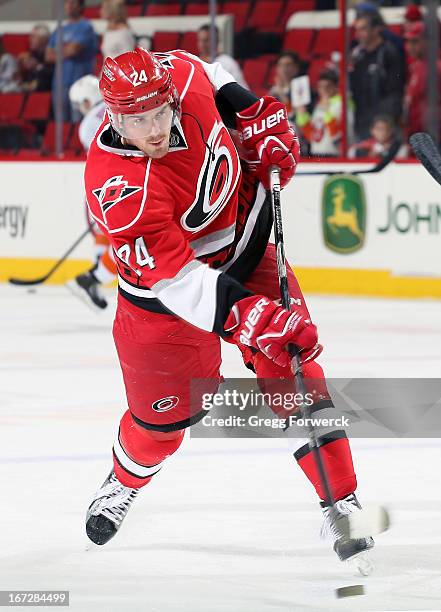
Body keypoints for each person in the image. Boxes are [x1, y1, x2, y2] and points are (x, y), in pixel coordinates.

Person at [83, 47, 374, 571]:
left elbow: (214, 76)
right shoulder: (121, 188)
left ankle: (341, 501)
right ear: (113, 117)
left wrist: (252, 115)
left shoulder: (180, 74)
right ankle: (123, 481)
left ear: (169, 95)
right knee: (163, 423)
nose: (152, 130)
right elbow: (178, 282)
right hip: (165, 303)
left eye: (159, 113)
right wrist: (251, 317)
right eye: (136, 120)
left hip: (243, 241)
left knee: (294, 373)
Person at [67, 74, 116, 310]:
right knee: (125, 241)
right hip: (124, 185)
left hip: (103, 189)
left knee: (109, 235)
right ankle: (94, 278)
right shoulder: (116, 108)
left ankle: (93, 278)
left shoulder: (87, 125)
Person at [349, 11, 405, 141]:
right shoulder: (357, 55)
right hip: (361, 121)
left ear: (376, 29)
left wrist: (385, 122)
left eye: (363, 29)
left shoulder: (389, 53)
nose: (358, 34)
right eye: (357, 29)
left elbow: (395, 91)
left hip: (382, 125)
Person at [45, 0, 97, 121]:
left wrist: (58, 50)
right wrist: (67, 49)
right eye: (67, 3)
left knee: (78, 123)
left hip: (79, 83)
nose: (69, 6)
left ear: (80, 6)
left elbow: (74, 50)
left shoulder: (86, 27)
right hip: (59, 83)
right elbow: (48, 56)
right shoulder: (59, 29)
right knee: (61, 125)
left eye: (73, 3)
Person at [295, 69, 348, 157]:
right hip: (316, 152)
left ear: (336, 87)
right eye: (320, 87)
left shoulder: (341, 103)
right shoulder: (320, 104)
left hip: (333, 153)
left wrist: (327, 112)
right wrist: (302, 115)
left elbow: (337, 134)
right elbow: (312, 134)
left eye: (328, 86)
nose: (324, 90)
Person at [403, 22, 441, 141]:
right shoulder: (415, 66)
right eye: (407, 41)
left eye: (415, 41)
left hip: (434, 139)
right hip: (419, 138)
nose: (409, 46)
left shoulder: (437, 68)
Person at [196, 24, 248, 89]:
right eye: (200, 40)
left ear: (216, 41)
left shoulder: (227, 62)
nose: (202, 44)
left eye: (206, 40)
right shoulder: (195, 62)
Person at [268, 51, 303, 123]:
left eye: (288, 65)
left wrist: (281, 93)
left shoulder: (301, 88)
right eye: (281, 65)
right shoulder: (273, 90)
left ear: (296, 68)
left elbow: (293, 116)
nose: (284, 68)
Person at [18, 24, 53, 92]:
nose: (30, 39)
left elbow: (53, 75)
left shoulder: (52, 53)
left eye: (33, 37)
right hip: (31, 91)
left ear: (44, 39)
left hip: (46, 92)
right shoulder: (33, 54)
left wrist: (37, 66)